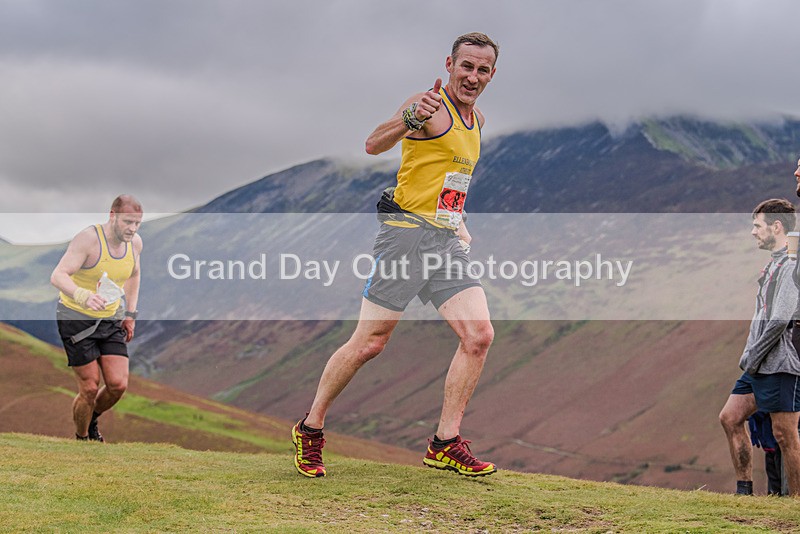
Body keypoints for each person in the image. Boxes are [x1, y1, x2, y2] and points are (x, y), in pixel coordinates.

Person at [292, 33, 499, 478]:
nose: (473, 77)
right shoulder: (427, 106)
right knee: (370, 343)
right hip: (404, 239)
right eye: (466, 66)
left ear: (492, 74)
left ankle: (444, 443)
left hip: (444, 242)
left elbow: (448, 178)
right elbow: (373, 144)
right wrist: (410, 117)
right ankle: (310, 428)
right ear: (450, 65)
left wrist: (459, 220)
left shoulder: (477, 120)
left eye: (482, 70)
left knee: (479, 336)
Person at [719, 198, 800, 496]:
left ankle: (795, 502)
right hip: (758, 366)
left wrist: (752, 355)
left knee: (785, 435)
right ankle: (744, 492)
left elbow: (780, 319)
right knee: (730, 417)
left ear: (776, 226)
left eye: (757, 225)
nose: (753, 232)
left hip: (779, 364)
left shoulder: (792, 264)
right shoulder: (774, 263)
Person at [50, 195, 143, 442]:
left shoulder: (135, 244)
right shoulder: (89, 239)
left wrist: (130, 314)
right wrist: (83, 296)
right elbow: (58, 275)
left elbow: (134, 275)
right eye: (128, 222)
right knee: (90, 388)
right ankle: (82, 440)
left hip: (110, 319)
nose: (132, 228)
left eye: (137, 223)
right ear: (113, 216)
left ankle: (91, 418)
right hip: (76, 319)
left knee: (118, 385)